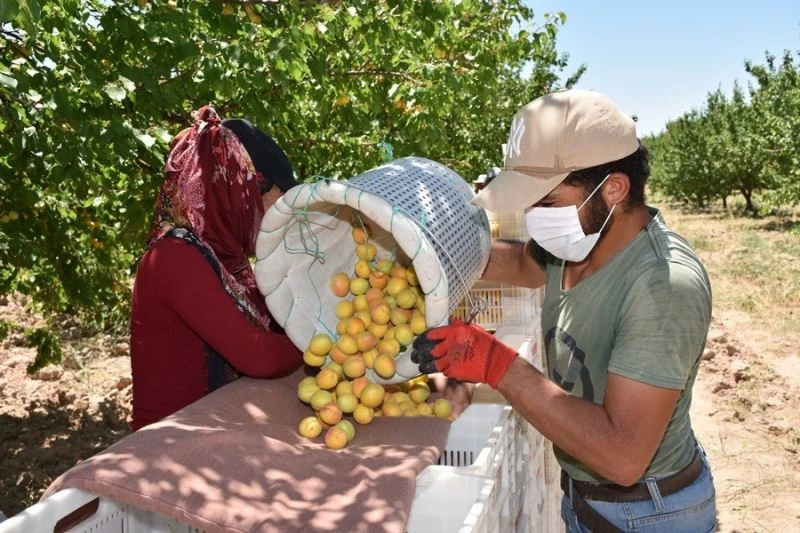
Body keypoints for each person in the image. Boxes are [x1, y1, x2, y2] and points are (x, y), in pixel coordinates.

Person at [412, 89, 716, 532]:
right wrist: (427, 254)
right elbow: (520, 264)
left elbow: (622, 456)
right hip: (586, 498)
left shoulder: (663, 286)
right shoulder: (579, 242)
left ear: (613, 189)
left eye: (547, 202)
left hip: (649, 514)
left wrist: (496, 364)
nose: (534, 217)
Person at [130, 106, 303, 431]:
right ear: (239, 192)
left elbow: (278, 326)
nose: (278, 218)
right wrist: (327, 339)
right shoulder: (174, 257)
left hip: (214, 431)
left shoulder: (227, 260)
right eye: (275, 202)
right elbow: (260, 355)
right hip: (169, 444)